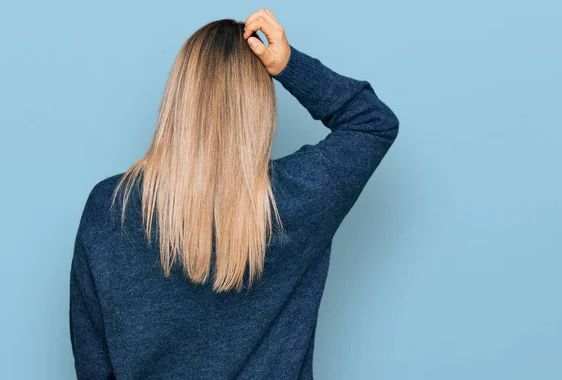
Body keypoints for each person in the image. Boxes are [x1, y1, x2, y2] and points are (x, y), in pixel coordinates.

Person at [69, 8, 399, 380]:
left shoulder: (111, 206)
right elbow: (372, 123)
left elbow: (93, 366)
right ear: (259, 105)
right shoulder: (297, 198)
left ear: (178, 99)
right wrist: (288, 64)